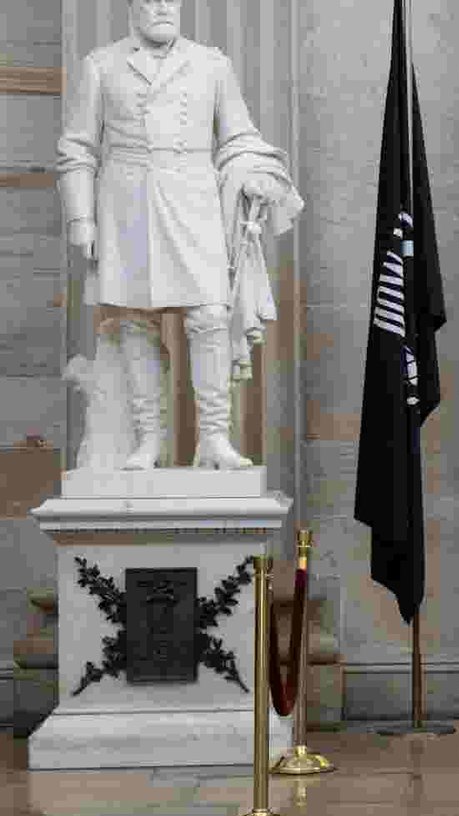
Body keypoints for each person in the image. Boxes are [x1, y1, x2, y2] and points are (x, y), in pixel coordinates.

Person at [58, 0, 302, 470]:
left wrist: (253, 171)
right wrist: (81, 219)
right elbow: (78, 148)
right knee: (134, 321)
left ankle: (213, 437)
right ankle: (149, 440)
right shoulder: (101, 65)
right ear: (133, 7)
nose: (164, 7)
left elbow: (238, 136)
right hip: (126, 204)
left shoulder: (212, 64)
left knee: (210, 316)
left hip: (194, 202)